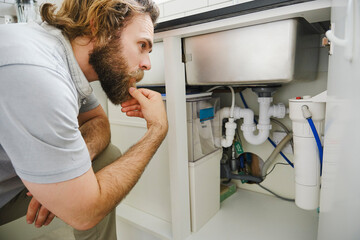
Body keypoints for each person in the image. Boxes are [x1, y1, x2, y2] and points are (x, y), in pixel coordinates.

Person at [0, 0, 168, 239]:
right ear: (101, 27)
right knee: (87, 202)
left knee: (107, 156)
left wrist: (66, 171)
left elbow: (98, 121)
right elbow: (84, 215)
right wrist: (157, 129)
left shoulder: (61, 55)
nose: (147, 64)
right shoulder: (41, 75)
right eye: (142, 45)